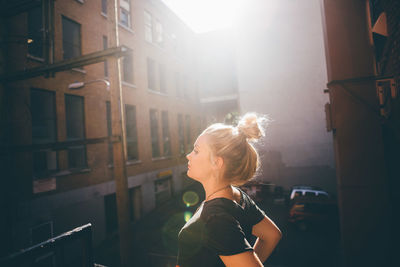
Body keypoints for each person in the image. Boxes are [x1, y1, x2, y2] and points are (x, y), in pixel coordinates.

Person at [177, 113, 282, 267]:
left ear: (217, 163)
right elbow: (272, 235)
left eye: (196, 151)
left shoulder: (216, 218)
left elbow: (271, 236)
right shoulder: (236, 196)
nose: (188, 156)